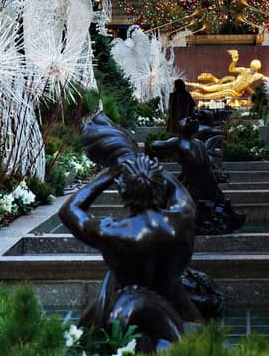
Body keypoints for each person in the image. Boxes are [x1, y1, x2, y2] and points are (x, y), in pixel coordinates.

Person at [59, 149, 198, 350]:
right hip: (174, 305)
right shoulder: (182, 219)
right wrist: (151, 168)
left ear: (121, 188)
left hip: (120, 314)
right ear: (159, 184)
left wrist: (111, 172)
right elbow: (180, 192)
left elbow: (69, 209)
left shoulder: (113, 232)